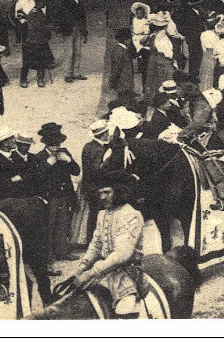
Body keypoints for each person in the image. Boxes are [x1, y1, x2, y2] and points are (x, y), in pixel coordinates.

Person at [71, 172, 145, 318]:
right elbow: (96, 244)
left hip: (127, 274)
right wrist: (83, 266)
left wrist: (91, 273)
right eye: (100, 193)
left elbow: (122, 254)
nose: (103, 197)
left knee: (125, 310)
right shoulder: (102, 214)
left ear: (119, 191)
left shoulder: (132, 214)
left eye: (107, 192)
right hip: (103, 272)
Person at [34, 123, 80, 262]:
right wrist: (48, 164)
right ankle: (48, 256)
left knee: (63, 224)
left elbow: (76, 171)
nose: (56, 147)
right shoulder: (39, 157)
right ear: (46, 144)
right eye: (53, 144)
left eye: (58, 144)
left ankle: (63, 252)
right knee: (49, 225)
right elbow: (37, 178)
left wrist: (69, 160)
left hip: (65, 195)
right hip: (50, 196)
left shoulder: (64, 153)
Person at [54, 0, 89, 82]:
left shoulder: (80, 3)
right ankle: (68, 74)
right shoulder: (65, 1)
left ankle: (76, 73)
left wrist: (84, 33)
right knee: (69, 52)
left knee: (78, 52)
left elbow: (83, 19)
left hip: (79, 29)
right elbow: (59, 15)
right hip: (68, 30)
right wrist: (61, 27)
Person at [20, 0, 52, 88]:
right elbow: (38, 26)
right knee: (27, 62)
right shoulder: (33, 13)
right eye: (43, 2)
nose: (44, 4)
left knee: (41, 61)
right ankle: (23, 79)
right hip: (31, 41)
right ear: (38, 3)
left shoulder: (41, 12)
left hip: (41, 40)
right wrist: (48, 28)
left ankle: (40, 78)